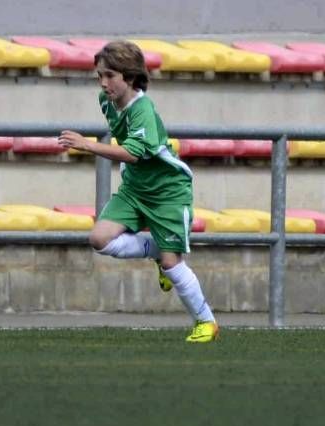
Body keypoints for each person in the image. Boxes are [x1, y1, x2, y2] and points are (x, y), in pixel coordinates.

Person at [58, 40, 218, 343]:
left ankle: (206, 322)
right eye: (100, 76)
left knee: (173, 265)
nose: (103, 83)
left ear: (130, 77)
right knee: (99, 239)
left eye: (110, 76)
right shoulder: (106, 101)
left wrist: (87, 144)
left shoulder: (142, 108)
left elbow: (134, 153)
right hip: (134, 189)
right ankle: (155, 249)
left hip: (167, 192)